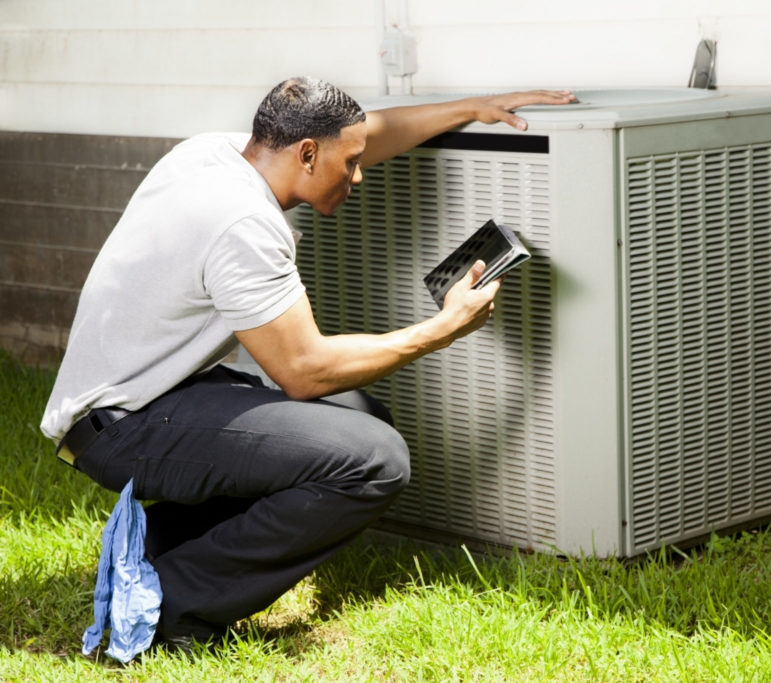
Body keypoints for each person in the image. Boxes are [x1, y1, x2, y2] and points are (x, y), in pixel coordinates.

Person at [40, 77, 576, 647]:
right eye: (351, 164)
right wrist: (441, 331)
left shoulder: (212, 155)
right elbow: (305, 371)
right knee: (375, 459)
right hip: (123, 428)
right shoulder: (244, 223)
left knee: (357, 413)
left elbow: (373, 132)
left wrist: (472, 108)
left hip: (143, 396)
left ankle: (153, 553)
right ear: (308, 153)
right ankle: (169, 607)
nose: (360, 175)